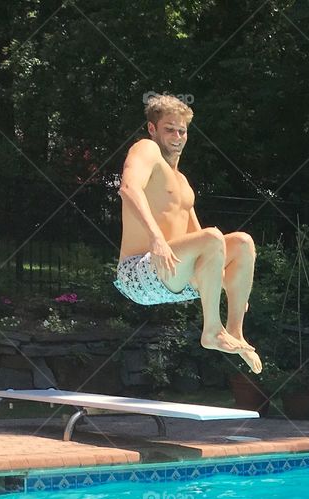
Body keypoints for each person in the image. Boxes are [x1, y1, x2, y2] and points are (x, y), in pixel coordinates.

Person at [115, 93, 262, 374]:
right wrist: (157, 239)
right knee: (212, 237)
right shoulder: (146, 149)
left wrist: (234, 286)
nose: (177, 136)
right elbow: (129, 189)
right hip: (138, 272)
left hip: (174, 276)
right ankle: (212, 331)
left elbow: (202, 241)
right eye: (169, 129)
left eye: (182, 131)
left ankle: (235, 332)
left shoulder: (182, 182)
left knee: (242, 242)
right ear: (152, 128)